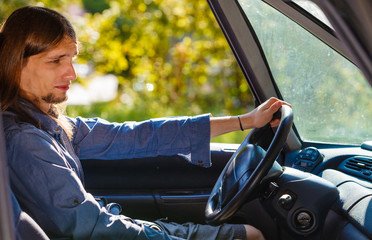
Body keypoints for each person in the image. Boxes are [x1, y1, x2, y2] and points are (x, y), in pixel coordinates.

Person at [0, 6, 289, 240]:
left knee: (247, 233)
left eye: (72, 59)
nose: (72, 73)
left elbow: (140, 135)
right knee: (249, 235)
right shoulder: (26, 139)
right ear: (16, 63)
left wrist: (245, 121)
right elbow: (91, 228)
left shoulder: (50, 124)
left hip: (107, 228)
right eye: (56, 61)